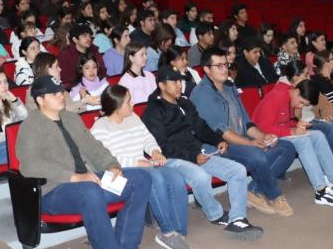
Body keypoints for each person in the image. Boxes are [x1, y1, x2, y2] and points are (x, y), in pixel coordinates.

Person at [16, 74, 152, 249]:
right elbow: (29, 165)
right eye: (54, 94)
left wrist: (112, 165)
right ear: (40, 100)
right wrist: (73, 177)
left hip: (90, 181)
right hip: (54, 191)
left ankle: (127, 245)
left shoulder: (71, 118)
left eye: (60, 91)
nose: (60, 96)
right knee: (90, 192)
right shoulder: (31, 126)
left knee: (141, 179)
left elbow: (94, 147)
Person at [143, 67, 263, 240]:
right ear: (161, 85)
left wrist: (218, 140)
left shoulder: (184, 103)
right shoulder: (153, 111)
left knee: (238, 170)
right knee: (200, 177)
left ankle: (237, 219)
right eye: (174, 81)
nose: (179, 85)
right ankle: (215, 215)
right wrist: (193, 157)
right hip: (170, 159)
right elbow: (162, 145)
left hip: (196, 153)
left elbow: (201, 127)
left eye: (180, 81)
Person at [190, 48, 297, 216]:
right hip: (219, 147)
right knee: (257, 154)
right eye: (219, 66)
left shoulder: (229, 87)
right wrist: (251, 143)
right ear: (206, 69)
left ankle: (252, 190)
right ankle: (275, 195)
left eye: (226, 64)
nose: (225, 69)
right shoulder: (202, 94)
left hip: (241, 139)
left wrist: (263, 136)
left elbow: (246, 121)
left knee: (288, 147)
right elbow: (222, 132)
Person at [90, 85, 192, 249]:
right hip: (121, 171)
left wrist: (155, 151)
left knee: (176, 177)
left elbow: (147, 138)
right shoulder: (100, 128)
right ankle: (167, 232)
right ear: (116, 107)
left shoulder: (133, 117)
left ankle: (179, 232)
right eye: (129, 101)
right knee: (155, 178)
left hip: (144, 165)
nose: (133, 103)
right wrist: (138, 163)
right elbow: (106, 159)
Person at [277, 60, 333, 183]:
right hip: (302, 124)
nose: (309, 77)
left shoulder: (306, 84)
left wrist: (327, 114)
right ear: (296, 77)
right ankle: (329, 171)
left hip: (316, 120)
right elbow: (290, 117)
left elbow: (325, 102)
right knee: (330, 129)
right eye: (305, 74)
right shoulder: (286, 91)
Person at [25, 53, 94, 114]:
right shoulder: (34, 91)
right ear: (47, 68)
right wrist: (82, 101)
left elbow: (75, 113)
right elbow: (58, 114)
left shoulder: (59, 87)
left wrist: (83, 99)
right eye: (56, 66)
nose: (60, 69)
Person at [59, 24, 107, 89]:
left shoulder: (94, 50)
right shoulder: (66, 55)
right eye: (85, 36)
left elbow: (102, 71)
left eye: (90, 36)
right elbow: (66, 79)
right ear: (75, 39)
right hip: (76, 88)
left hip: (97, 84)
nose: (89, 39)